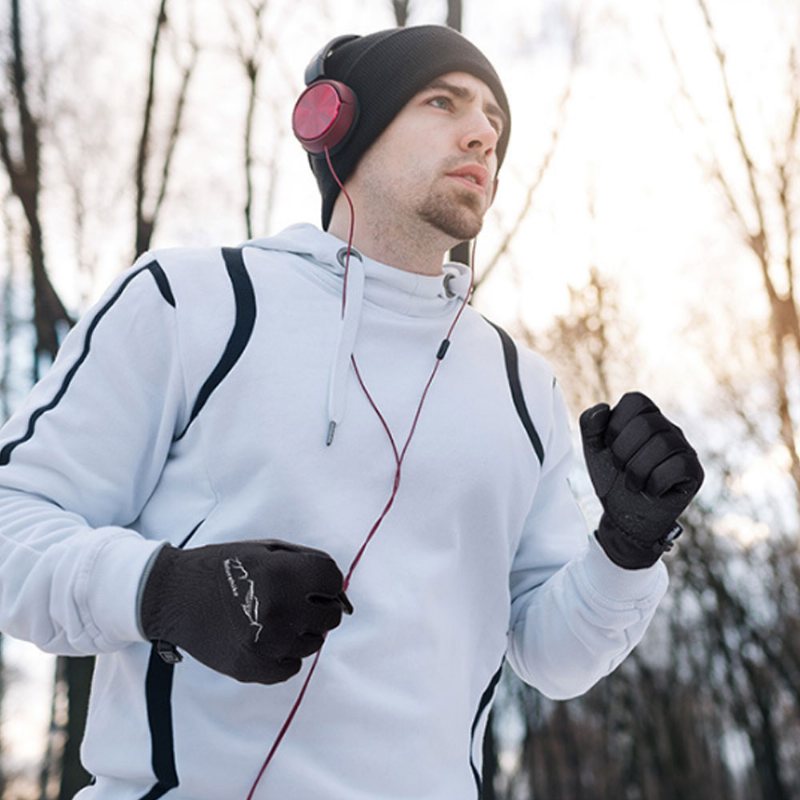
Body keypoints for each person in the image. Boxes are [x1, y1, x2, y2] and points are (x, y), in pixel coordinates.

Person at [0, 25, 703, 800]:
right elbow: (14, 519)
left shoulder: (520, 384)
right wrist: (163, 590)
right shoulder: (192, 301)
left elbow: (554, 653)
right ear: (336, 122)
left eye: (495, 123)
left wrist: (626, 549)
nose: (483, 134)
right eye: (444, 101)